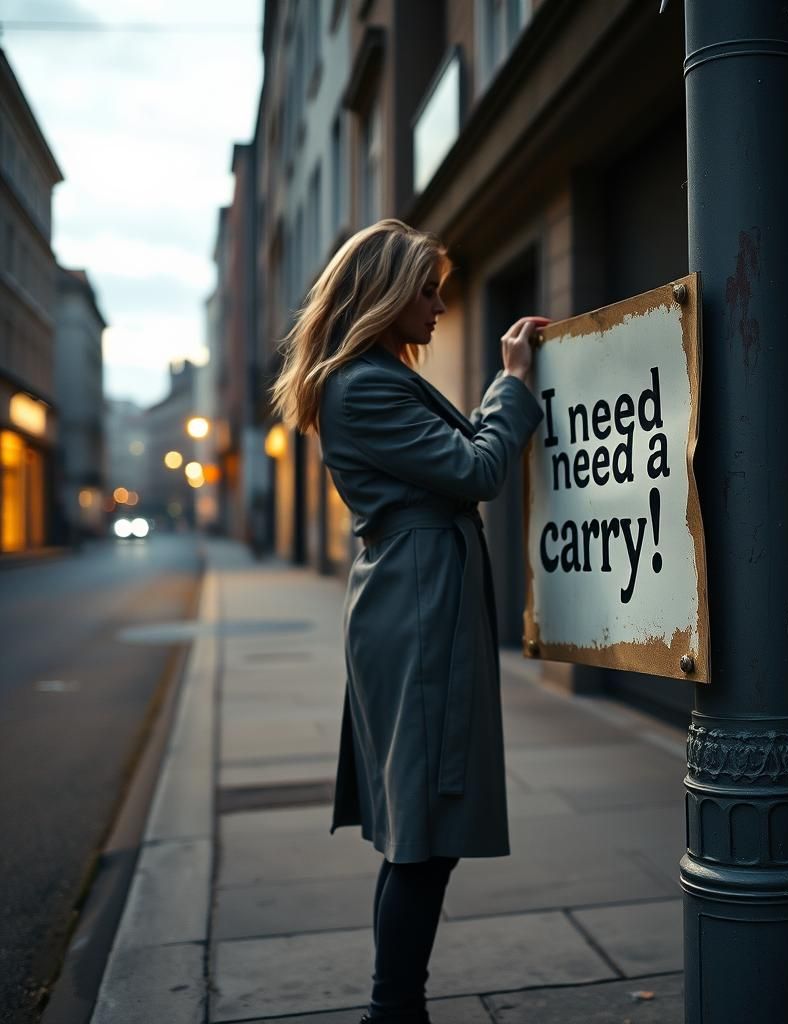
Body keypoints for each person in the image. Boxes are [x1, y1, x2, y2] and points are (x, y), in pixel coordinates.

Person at [270, 218, 548, 1023]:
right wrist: (513, 386)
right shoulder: (363, 385)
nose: (437, 305)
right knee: (424, 829)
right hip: (419, 604)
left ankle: (397, 1008)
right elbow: (477, 468)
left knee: (425, 825)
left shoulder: (375, 376)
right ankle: (393, 1012)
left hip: (418, 593)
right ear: (385, 293)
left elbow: (456, 459)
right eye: (425, 290)